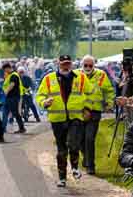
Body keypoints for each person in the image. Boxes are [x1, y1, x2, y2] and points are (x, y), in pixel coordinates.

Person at [38, 54, 93, 187]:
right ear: (58, 64)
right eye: (63, 64)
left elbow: (91, 93)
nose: (66, 66)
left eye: (68, 63)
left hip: (75, 117)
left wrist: (88, 108)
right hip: (57, 119)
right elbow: (40, 96)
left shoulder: (80, 77)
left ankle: (74, 168)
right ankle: (62, 178)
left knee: (73, 143)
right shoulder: (48, 79)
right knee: (61, 150)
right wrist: (44, 102)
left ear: (72, 64)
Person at [75, 55, 116, 175]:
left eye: (90, 65)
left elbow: (108, 90)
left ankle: (90, 166)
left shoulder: (101, 74)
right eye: (85, 65)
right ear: (82, 65)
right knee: (80, 139)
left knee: (89, 138)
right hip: (79, 111)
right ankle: (86, 158)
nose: (88, 67)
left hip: (94, 112)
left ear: (94, 65)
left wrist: (109, 102)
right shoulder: (76, 74)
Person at [2, 62, 26, 134]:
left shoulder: (14, 75)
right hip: (9, 97)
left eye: (5, 70)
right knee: (5, 112)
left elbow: (12, 85)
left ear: (8, 68)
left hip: (13, 97)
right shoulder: (10, 75)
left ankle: (22, 128)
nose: (5, 71)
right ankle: (3, 128)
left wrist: (5, 92)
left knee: (15, 113)